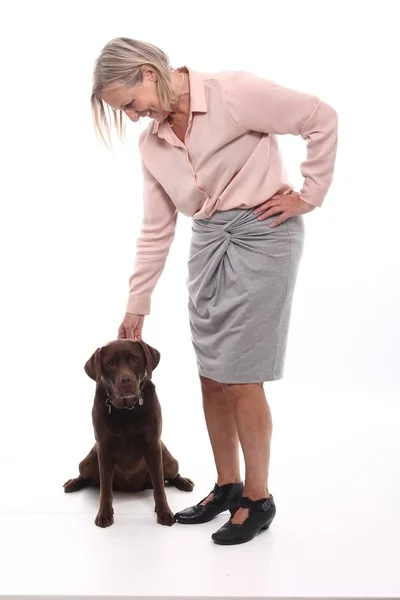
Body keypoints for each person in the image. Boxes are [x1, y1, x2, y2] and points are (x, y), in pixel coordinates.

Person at [91, 37, 338, 546]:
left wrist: (310, 195)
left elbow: (321, 116)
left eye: (130, 104)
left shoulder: (233, 92)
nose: (135, 117)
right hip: (208, 244)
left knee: (242, 375)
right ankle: (227, 485)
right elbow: (157, 228)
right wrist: (137, 306)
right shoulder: (153, 145)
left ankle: (258, 497)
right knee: (211, 373)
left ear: (147, 73)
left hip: (263, 235)